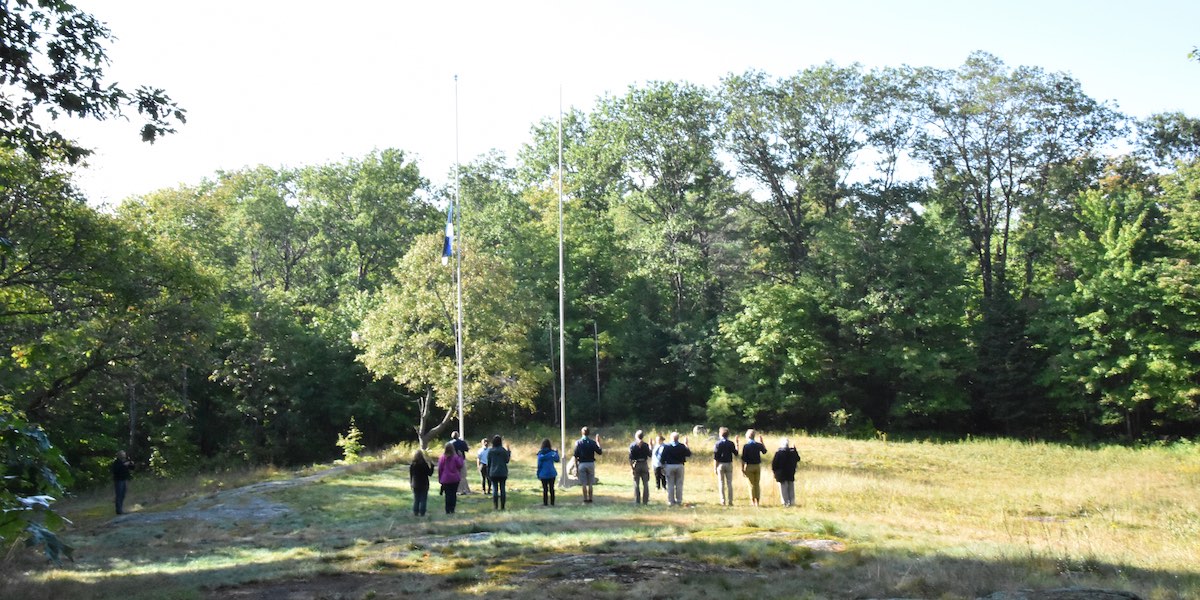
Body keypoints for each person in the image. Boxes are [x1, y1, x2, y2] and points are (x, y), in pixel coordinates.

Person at [660, 431, 691, 506]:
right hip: (679, 465)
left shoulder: (667, 447)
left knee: (670, 484)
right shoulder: (682, 446)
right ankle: (679, 500)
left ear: (671, 438)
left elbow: (662, 458)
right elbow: (688, 454)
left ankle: (671, 501)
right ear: (678, 438)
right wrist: (687, 444)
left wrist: (662, 466)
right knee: (679, 484)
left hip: (669, 466)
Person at [573, 426, 603, 503]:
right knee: (590, 483)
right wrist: (598, 443)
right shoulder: (592, 442)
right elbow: (599, 452)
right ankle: (590, 498)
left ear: (581, 433)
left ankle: (585, 498)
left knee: (583, 483)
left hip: (582, 464)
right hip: (590, 463)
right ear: (589, 433)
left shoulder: (578, 443)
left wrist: (576, 467)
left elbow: (575, 456)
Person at [740, 429, 768, 507]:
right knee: (757, 484)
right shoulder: (758, 445)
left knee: (751, 485)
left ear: (747, 436)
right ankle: (758, 501)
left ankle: (753, 501)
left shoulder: (746, 446)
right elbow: (764, 451)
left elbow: (743, 458)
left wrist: (742, 468)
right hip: (757, 466)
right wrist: (762, 442)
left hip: (749, 466)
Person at [771, 437, 801, 507]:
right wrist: (795, 450)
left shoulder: (779, 453)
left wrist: (775, 472)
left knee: (783, 489)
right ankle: (792, 502)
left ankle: (785, 502)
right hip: (791, 473)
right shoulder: (792, 452)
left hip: (781, 474)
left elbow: (774, 464)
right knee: (791, 488)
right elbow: (798, 459)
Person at [713, 426, 739, 506]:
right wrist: (737, 444)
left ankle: (723, 501)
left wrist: (715, 467)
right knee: (729, 483)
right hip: (729, 464)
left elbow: (715, 457)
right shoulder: (731, 443)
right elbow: (736, 453)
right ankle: (730, 501)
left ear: (721, 434)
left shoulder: (718, 443)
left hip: (720, 464)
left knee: (721, 483)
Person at [437, 441, 465, 514]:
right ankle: (452, 509)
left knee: (447, 495)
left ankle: (447, 509)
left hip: (445, 479)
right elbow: (460, 465)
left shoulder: (442, 458)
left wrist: (440, 478)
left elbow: (440, 469)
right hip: (455, 479)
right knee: (453, 494)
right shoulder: (455, 457)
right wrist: (461, 457)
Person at [486, 435, 511, 510]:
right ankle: (502, 506)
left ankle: (495, 506)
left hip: (493, 472)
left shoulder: (490, 451)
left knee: (495, 489)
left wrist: (488, 472)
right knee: (502, 488)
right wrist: (509, 452)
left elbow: (489, 462)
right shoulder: (503, 450)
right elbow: (507, 461)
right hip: (502, 472)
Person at [628, 430, 652, 504]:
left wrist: (632, 467)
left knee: (636, 483)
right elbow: (650, 455)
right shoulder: (646, 445)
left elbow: (630, 458)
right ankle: (645, 500)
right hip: (644, 464)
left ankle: (637, 500)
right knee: (645, 483)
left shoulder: (633, 445)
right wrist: (651, 446)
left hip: (636, 464)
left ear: (636, 436)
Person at [409, 448, 434, 516]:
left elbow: (411, 475)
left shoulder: (412, 465)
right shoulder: (424, 464)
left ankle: (415, 511)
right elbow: (430, 474)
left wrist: (411, 483)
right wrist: (432, 466)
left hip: (415, 484)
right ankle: (422, 512)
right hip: (424, 484)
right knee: (423, 499)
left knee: (416, 499)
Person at [536, 438, 560, 506]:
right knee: (552, 488)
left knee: (545, 489)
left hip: (543, 474)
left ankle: (545, 503)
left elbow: (539, 465)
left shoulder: (540, 454)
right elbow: (557, 460)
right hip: (552, 473)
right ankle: (552, 502)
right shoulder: (552, 453)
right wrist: (557, 453)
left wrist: (538, 473)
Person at [111, 450, 134, 515]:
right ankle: (119, 510)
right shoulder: (116, 462)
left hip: (125, 479)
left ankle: (121, 508)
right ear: (119, 455)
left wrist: (131, 464)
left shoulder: (125, 461)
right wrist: (123, 465)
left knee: (123, 494)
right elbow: (115, 470)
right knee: (119, 495)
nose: (124, 455)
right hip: (118, 480)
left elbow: (132, 468)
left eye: (124, 454)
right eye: (122, 454)